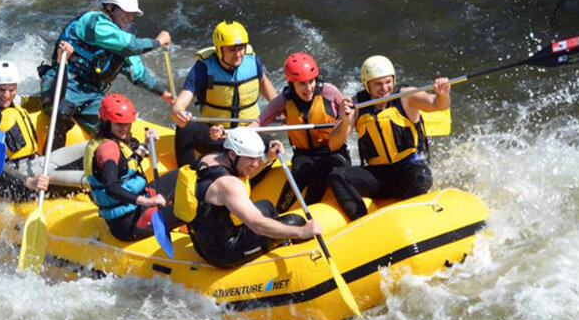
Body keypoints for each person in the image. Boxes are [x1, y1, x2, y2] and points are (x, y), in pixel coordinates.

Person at [38, 0, 172, 144]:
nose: (130, 17)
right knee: (61, 111)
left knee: (114, 128)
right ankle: (54, 152)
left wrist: (164, 93)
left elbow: (138, 74)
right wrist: (158, 42)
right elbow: (132, 46)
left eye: (132, 14)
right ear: (110, 7)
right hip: (64, 83)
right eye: (126, 12)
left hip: (92, 94)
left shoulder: (120, 40)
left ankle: (128, 152)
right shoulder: (94, 21)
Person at [327, 55, 450, 220]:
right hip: (379, 176)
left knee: (421, 176)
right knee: (337, 176)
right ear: (367, 84)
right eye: (378, 84)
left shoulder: (407, 96)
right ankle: (361, 220)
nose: (384, 88)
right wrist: (346, 122)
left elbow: (436, 104)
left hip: (409, 169)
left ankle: (409, 217)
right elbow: (334, 144)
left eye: (388, 82)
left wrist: (442, 95)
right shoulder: (356, 105)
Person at [181, 128, 319, 268]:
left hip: (204, 242)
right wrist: (302, 232)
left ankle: (278, 243)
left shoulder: (210, 159)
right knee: (295, 221)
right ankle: (306, 262)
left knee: (266, 206)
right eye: (250, 159)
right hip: (226, 253)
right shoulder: (229, 185)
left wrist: (268, 158)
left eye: (257, 159)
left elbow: (244, 173)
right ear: (232, 153)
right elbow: (257, 225)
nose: (255, 164)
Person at [0, 60, 84, 200]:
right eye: (1, 90)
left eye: (12, 89)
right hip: (16, 179)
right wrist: (28, 182)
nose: (7, 95)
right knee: (84, 178)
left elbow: (52, 100)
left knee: (90, 149)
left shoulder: (14, 102)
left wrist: (62, 64)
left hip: (36, 162)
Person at [169, 20, 277, 167]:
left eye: (241, 48)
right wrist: (178, 112)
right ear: (219, 50)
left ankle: (247, 176)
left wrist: (279, 108)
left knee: (273, 146)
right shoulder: (203, 68)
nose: (238, 55)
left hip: (247, 136)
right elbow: (182, 100)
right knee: (185, 128)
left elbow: (263, 82)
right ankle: (187, 174)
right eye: (232, 50)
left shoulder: (253, 62)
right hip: (216, 137)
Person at [257, 52, 354, 209]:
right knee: (301, 172)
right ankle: (279, 211)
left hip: (333, 150)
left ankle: (310, 208)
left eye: (311, 81)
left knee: (323, 168)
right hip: (305, 153)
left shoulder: (330, 92)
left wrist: (347, 115)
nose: (308, 88)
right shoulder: (283, 100)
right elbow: (259, 122)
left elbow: (351, 117)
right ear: (292, 83)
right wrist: (235, 133)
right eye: (302, 84)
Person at [83, 93, 179, 242]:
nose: (125, 129)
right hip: (128, 222)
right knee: (191, 210)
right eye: (119, 124)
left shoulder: (110, 140)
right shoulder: (107, 149)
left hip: (137, 204)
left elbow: (127, 165)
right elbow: (111, 186)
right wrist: (147, 202)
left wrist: (146, 144)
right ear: (106, 122)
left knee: (185, 174)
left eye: (127, 124)